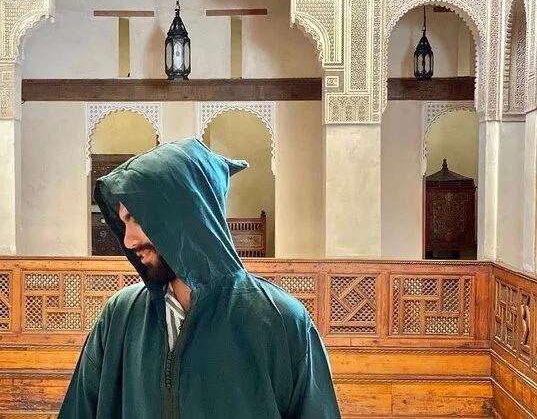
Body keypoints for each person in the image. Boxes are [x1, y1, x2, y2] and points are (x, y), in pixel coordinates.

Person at [58, 137, 341, 418]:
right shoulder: (120, 316)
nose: (128, 240)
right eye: (123, 222)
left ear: (187, 214)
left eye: (138, 219)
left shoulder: (282, 322)